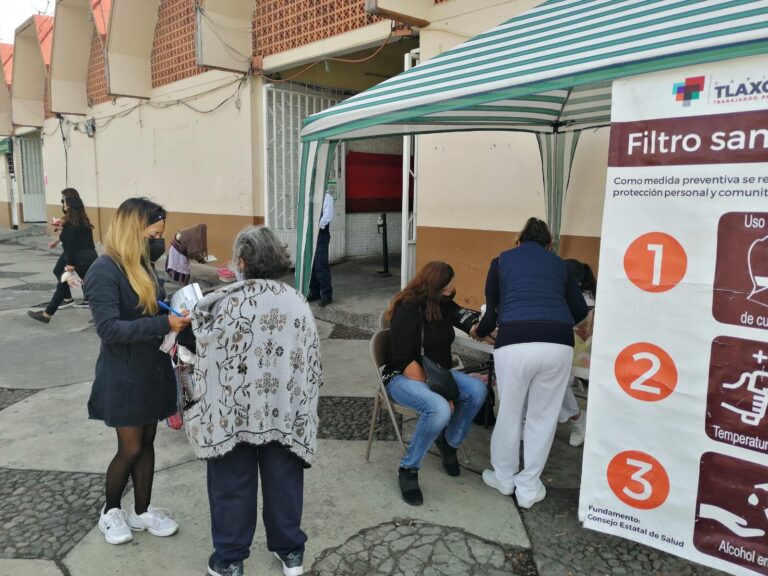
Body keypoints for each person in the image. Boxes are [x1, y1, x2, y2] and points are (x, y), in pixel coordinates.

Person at [187, 225, 320, 576]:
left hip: (234, 411)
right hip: (284, 408)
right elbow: (310, 362)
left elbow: (208, 356)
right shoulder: (297, 302)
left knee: (231, 483)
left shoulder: (225, 302)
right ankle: (291, 553)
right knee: (285, 480)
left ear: (243, 262)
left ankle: (230, 560)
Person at [84, 198, 191, 545]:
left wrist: (177, 313)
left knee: (147, 442)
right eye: (153, 235)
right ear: (133, 230)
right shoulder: (104, 271)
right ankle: (111, 510)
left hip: (151, 370)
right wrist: (163, 323)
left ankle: (142, 511)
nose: (157, 241)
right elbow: (109, 329)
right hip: (124, 375)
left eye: (159, 235)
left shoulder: (143, 265)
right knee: (129, 448)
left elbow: (153, 308)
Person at [472, 218, 587, 509]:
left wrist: (479, 331)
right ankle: (529, 486)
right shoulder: (560, 264)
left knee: (510, 412)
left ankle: (504, 477)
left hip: (514, 343)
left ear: (519, 240)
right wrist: (557, 324)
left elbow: (490, 315)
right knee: (542, 416)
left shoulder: (501, 261)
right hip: (558, 344)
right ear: (549, 243)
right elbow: (579, 309)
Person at [383, 261, 487, 506]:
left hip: (436, 373)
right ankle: (408, 468)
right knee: (439, 409)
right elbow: (404, 361)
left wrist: (481, 328)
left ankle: (449, 443)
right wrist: (443, 393)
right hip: (402, 377)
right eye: (448, 283)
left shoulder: (442, 303)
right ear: (434, 285)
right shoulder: (407, 309)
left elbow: (465, 319)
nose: (452, 287)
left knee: (477, 390)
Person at [28, 194, 98, 323]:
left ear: (69, 207)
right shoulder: (84, 223)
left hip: (77, 259)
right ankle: (47, 314)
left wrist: (70, 264)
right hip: (91, 256)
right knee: (91, 286)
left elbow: (69, 248)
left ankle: (47, 315)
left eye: (64, 203)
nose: (63, 206)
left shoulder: (70, 227)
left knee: (64, 285)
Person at [558, 259, 597, 447]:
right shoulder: (574, 294)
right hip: (566, 348)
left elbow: (584, 332)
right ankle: (576, 418)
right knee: (553, 384)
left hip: (582, 353)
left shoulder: (587, 300)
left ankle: (578, 419)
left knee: (557, 385)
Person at [307, 188, 334, 307]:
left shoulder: (327, 196)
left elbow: (327, 216)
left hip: (321, 234)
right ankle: (315, 292)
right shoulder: (311, 195)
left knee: (320, 265)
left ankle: (327, 295)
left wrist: (318, 226)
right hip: (311, 233)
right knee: (312, 265)